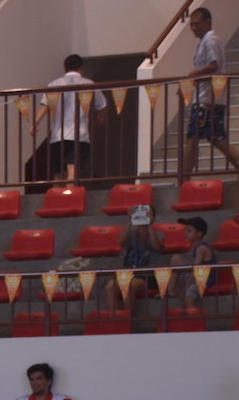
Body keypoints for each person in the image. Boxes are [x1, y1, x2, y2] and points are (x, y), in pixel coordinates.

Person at [178, 7, 237, 179]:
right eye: (192, 25)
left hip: (208, 98)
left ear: (207, 22)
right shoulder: (205, 41)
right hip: (207, 96)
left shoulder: (210, 40)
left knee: (193, 137)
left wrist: (192, 75)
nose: (194, 28)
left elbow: (213, 65)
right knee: (216, 138)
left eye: (197, 24)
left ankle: (184, 179)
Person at [36, 54, 108, 183]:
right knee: (73, 171)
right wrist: (100, 118)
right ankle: (70, 201)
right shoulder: (88, 84)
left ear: (65, 69)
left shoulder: (54, 84)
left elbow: (45, 105)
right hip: (79, 135)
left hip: (58, 136)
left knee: (58, 174)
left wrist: (35, 123)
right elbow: (102, 105)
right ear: (81, 68)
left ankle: (55, 202)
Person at [107, 205, 158, 313]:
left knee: (128, 286)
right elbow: (120, 241)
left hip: (147, 275)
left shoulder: (157, 234)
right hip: (128, 273)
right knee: (111, 286)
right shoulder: (131, 235)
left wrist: (149, 224)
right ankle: (114, 318)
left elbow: (157, 246)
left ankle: (127, 320)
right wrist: (130, 220)